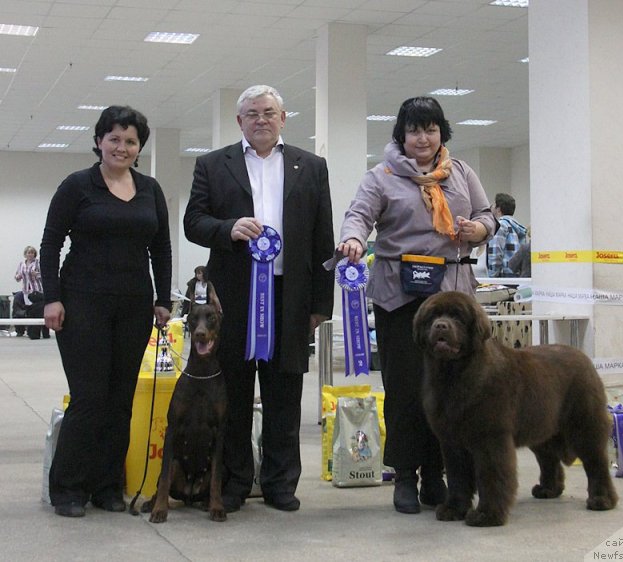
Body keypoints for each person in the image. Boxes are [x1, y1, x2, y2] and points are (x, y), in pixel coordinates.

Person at [337, 96, 496, 515]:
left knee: (454, 392)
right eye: (413, 130)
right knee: (406, 389)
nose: (422, 138)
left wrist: (478, 227)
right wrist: (353, 238)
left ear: (442, 132)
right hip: (400, 298)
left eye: (430, 129)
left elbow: (487, 216)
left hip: (454, 296)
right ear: (401, 136)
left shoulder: (460, 173)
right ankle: (405, 476)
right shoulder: (382, 175)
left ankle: (437, 474)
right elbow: (358, 215)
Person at [183, 84, 334, 513]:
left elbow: (325, 237)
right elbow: (194, 221)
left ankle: (281, 484)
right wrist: (227, 228)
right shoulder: (213, 165)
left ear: (283, 118)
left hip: (292, 297)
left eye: (269, 112)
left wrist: (321, 305)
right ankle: (233, 481)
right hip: (231, 299)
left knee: (284, 396)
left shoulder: (312, 167)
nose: (261, 119)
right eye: (252, 113)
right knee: (231, 394)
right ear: (239, 122)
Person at [40, 105, 172, 518]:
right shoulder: (77, 186)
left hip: (134, 305)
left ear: (139, 147)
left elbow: (161, 249)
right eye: (114, 138)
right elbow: (49, 245)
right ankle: (67, 488)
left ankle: (107, 486)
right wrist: (52, 297)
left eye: (130, 140)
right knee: (89, 398)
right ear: (99, 141)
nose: (122, 146)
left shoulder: (150, 188)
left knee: (120, 401)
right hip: (82, 303)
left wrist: (163, 300)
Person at [486, 193, 527, 277]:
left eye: (493, 205)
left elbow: (495, 253)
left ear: (499, 209)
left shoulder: (500, 226)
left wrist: (492, 277)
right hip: (516, 276)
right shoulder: (517, 227)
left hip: (503, 277)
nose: (491, 207)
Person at [14, 245, 44, 337]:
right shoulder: (21, 264)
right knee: (29, 310)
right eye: (28, 253)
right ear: (25, 254)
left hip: (36, 290)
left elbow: (43, 276)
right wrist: (17, 277)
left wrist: (37, 275)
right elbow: (17, 276)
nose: (30, 254)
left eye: (32, 253)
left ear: (34, 254)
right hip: (26, 290)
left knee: (36, 310)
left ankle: (36, 331)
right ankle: (28, 330)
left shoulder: (38, 263)